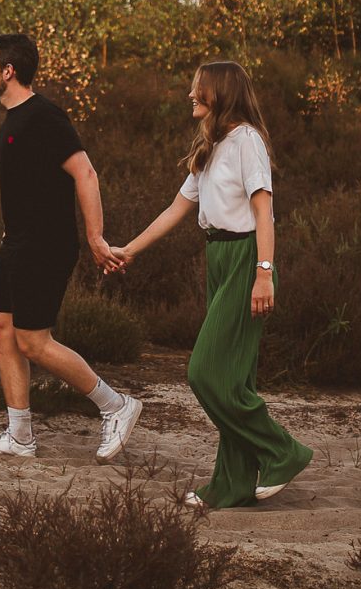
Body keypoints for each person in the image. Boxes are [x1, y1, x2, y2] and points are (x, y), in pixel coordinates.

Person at [106, 61, 313, 509]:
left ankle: (282, 451)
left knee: (204, 372)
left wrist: (263, 273)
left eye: (198, 89)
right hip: (218, 257)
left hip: (245, 258)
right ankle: (233, 483)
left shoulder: (247, 142)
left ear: (220, 93)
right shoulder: (211, 147)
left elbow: (264, 213)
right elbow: (175, 210)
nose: (190, 95)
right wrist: (129, 250)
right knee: (234, 380)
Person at [0, 32, 143, 463]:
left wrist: (96, 238)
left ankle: (116, 406)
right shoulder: (12, 121)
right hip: (17, 245)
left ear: (9, 71)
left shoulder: (43, 115)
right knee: (2, 331)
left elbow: (85, 173)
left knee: (33, 340)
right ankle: (20, 436)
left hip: (45, 246)